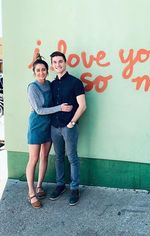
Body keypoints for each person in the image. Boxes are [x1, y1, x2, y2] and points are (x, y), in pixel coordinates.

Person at [26, 54, 72, 209]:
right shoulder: (32, 87)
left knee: (44, 156)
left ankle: (39, 186)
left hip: (49, 125)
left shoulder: (50, 84)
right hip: (36, 125)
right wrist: (60, 108)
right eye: (38, 70)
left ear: (47, 70)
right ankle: (31, 193)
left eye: (43, 69)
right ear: (34, 72)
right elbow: (39, 110)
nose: (41, 72)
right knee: (33, 159)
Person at [49, 51, 86, 206]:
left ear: (65, 62)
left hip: (68, 126)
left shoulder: (75, 82)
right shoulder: (51, 84)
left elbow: (83, 106)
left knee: (72, 157)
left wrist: (72, 122)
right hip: (54, 127)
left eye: (60, 61)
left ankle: (74, 188)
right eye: (55, 62)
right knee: (58, 157)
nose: (58, 64)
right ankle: (60, 185)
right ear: (52, 65)